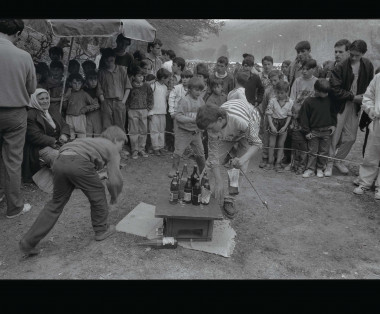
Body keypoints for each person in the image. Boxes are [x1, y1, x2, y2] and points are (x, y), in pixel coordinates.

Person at [19, 126, 127, 256]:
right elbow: (115, 180)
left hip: (60, 160)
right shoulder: (112, 148)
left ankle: (28, 241)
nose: (122, 148)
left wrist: (96, 176)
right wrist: (114, 198)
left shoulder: (90, 141)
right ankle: (101, 230)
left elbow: (75, 163)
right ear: (115, 140)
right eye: (122, 143)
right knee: (98, 194)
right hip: (78, 163)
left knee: (56, 203)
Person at [196, 100, 262, 219]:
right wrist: (218, 181)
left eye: (210, 128)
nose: (209, 132)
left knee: (238, 169)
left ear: (220, 120)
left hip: (247, 131)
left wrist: (242, 160)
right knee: (210, 164)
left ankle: (229, 199)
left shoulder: (243, 122)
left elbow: (256, 144)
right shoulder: (212, 125)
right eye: (207, 130)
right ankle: (203, 192)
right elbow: (213, 156)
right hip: (228, 134)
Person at [0, 19, 37, 218]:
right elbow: (31, 88)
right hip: (14, 113)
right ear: (18, 34)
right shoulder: (23, 56)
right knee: (12, 160)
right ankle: (14, 207)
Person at [326, 40, 374, 176]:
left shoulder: (367, 65)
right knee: (334, 136)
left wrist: (364, 101)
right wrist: (352, 97)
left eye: (356, 55)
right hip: (340, 105)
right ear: (349, 51)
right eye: (351, 54)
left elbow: (370, 87)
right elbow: (334, 89)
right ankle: (328, 163)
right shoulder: (340, 67)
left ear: (363, 54)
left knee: (351, 137)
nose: (353, 58)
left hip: (356, 106)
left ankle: (338, 160)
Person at [22, 89, 70, 183]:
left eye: (47, 98)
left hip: (58, 143)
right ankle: (68, 180)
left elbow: (64, 124)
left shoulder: (52, 109)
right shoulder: (30, 115)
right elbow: (35, 136)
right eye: (41, 99)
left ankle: (78, 175)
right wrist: (54, 141)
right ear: (35, 100)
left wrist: (64, 134)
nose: (45, 101)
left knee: (76, 151)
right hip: (39, 147)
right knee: (57, 156)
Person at [169, 77, 206, 177]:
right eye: (196, 90)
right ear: (190, 89)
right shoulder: (184, 101)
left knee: (200, 153)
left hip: (196, 132)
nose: (198, 93)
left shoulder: (201, 102)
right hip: (183, 132)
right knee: (178, 151)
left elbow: (203, 116)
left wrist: (201, 127)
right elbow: (178, 116)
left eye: (200, 90)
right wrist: (192, 120)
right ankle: (174, 169)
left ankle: (203, 171)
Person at [299, 79, 337, 178]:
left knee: (324, 152)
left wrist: (333, 124)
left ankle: (320, 168)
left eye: (327, 92)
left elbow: (333, 113)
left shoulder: (330, 100)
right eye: (324, 92)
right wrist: (306, 131)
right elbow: (304, 117)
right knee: (312, 151)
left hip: (327, 131)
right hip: (314, 132)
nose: (326, 94)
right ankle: (310, 169)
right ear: (316, 90)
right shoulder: (308, 101)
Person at [288, 59, 319, 174]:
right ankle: (294, 163)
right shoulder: (297, 81)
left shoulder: (316, 82)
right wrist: (294, 113)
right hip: (297, 115)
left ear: (314, 69)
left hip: (310, 116)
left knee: (309, 141)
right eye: (303, 69)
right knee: (296, 140)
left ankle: (306, 165)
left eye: (307, 69)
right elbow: (292, 98)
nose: (304, 71)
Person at [353, 72, 380, 200]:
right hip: (378, 121)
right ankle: (365, 183)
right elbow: (368, 97)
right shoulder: (378, 77)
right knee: (371, 152)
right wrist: (370, 109)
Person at [98, 47, 132, 132]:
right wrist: (103, 102)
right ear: (103, 60)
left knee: (120, 125)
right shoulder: (102, 72)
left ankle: (119, 144)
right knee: (106, 125)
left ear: (115, 58)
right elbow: (99, 89)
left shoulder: (121, 70)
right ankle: (107, 144)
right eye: (107, 61)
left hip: (119, 101)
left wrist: (123, 102)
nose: (109, 63)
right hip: (106, 101)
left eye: (111, 60)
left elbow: (128, 87)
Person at [126, 66, 154, 159]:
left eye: (142, 76)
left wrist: (148, 108)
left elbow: (150, 97)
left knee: (143, 130)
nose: (141, 77)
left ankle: (142, 149)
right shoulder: (130, 86)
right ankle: (134, 150)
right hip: (132, 110)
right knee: (133, 130)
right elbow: (127, 98)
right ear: (133, 76)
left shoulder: (146, 86)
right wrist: (128, 109)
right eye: (138, 76)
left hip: (143, 110)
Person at [258, 70, 285, 168]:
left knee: (279, 140)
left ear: (280, 79)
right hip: (269, 118)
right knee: (266, 139)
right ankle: (265, 158)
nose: (273, 83)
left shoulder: (285, 89)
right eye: (271, 81)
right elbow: (264, 105)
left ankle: (277, 160)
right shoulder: (268, 91)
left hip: (281, 119)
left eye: (275, 80)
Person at [265, 81, 293, 172]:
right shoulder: (272, 100)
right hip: (274, 122)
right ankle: (270, 162)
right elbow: (269, 114)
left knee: (281, 145)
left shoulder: (290, 102)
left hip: (284, 123)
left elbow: (289, 116)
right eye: (278, 92)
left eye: (282, 93)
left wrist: (285, 127)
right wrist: (272, 125)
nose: (279, 95)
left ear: (286, 92)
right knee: (272, 144)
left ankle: (278, 163)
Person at [65, 73, 100, 140]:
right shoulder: (69, 93)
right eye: (74, 83)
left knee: (81, 136)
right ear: (70, 83)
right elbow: (64, 106)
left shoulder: (84, 94)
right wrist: (65, 96)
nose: (77, 85)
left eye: (79, 83)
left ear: (82, 84)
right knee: (70, 136)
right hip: (69, 117)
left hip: (79, 117)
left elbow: (96, 104)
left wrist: (86, 108)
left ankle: (81, 149)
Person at [149, 68, 171, 156]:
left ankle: (161, 147)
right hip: (154, 113)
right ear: (162, 78)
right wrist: (150, 112)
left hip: (163, 113)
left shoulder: (165, 87)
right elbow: (149, 100)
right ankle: (155, 148)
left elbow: (164, 100)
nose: (168, 80)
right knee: (154, 131)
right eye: (167, 78)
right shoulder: (153, 86)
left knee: (162, 131)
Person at [82, 70, 104, 137]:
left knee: (98, 132)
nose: (93, 81)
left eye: (95, 79)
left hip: (97, 113)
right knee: (88, 132)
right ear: (86, 80)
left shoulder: (99, 91)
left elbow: (101, 103)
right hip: (87, 114)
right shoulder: (84, 90)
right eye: (91, 79)